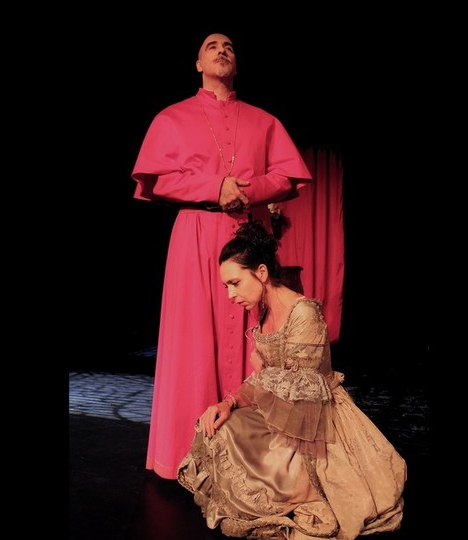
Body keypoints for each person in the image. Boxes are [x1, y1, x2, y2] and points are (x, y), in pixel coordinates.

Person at [132, 32, 313, 479]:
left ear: (237, 63)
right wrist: (213, 187)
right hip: (195, 233)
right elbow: (158, 180)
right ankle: (188, 451)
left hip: (249, 233)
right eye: (212, 46)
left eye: (229, 46)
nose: (222, 50)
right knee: (193, 336)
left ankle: (252, 455)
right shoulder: (171, 118)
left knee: (254, 333)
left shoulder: (263, 121)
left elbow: (287, 178)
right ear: (198, 63)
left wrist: (247, 190)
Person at [178, 221, 407, 540]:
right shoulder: (263, 311)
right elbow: (265, 381)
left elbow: (304, 391)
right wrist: (228, 403)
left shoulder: (304, 313)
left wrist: (262, 370)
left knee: (272, 472)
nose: (231, 294)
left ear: (260, 272)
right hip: (281, 412)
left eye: (235, 283)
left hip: (315, 425)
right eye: (227, 286)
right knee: (219, 429)